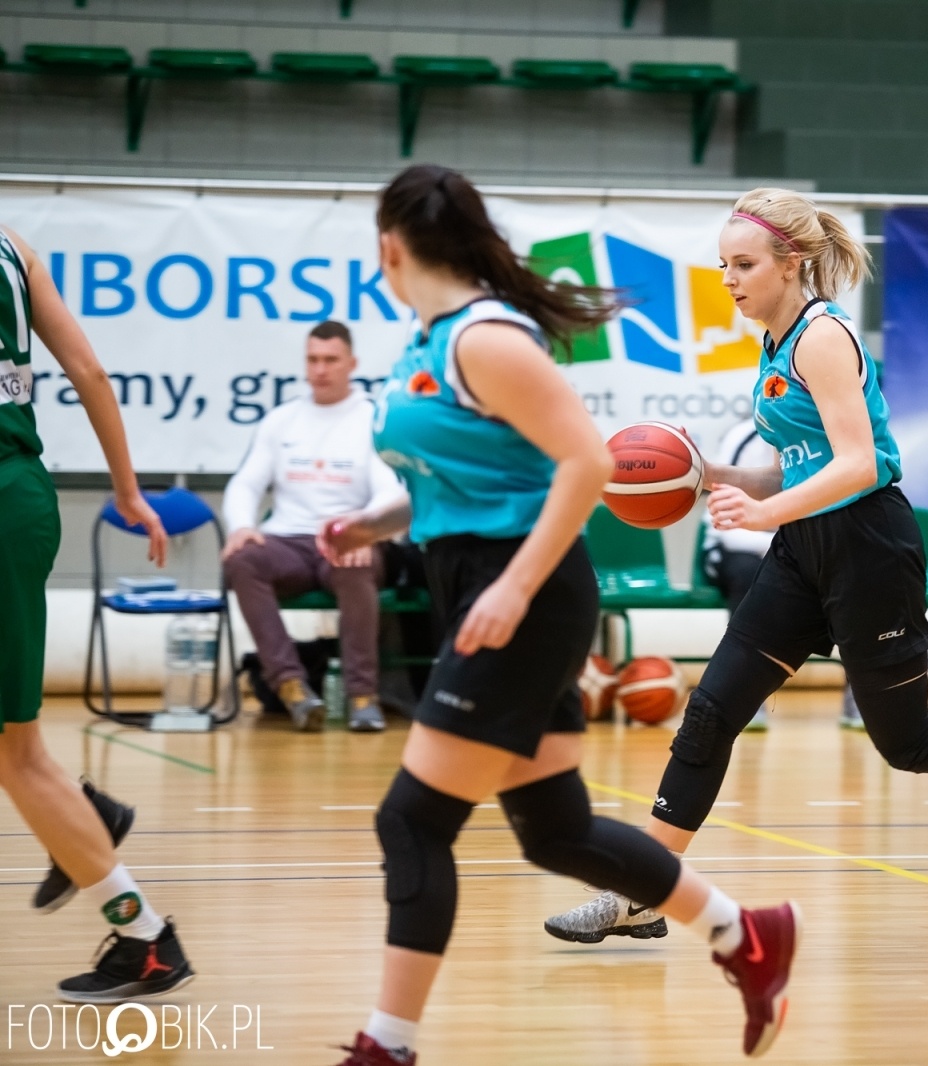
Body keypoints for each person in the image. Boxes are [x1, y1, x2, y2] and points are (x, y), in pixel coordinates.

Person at [545, 188, 928, 947]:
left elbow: (858, 466)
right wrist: (716, 475)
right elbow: (801, 465)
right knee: (713, 710)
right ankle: (643, 892)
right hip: (806, 552)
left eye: (744, 263)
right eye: (723, 265)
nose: (729, 278)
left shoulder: (822, 337)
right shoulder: (773, 338)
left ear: (792, 262)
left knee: (907, 741)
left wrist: (764, 514)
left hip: (868, 550)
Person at [318, 166, 798, 1065]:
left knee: (412, 822)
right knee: (557, 832)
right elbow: (467, 479)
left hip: (523, 589)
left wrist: (511, 585)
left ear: (390, 247)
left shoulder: (486, 338)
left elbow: (584, 464)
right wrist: (373, 522)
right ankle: (749, 936)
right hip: (481, 575)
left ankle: (386, 1046)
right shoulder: (429, 340)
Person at [0, 224, 195, 999]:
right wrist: (125, 490)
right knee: (18, 755)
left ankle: (147, 939)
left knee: (18, 756)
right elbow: (87, 370)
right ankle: (86, 819)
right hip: (23, 496)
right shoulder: (14, 246)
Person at [223, 320, 407, 733]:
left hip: (346, 541)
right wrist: (241, 526)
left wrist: (365, 530)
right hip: (288, 542)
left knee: (354, 563)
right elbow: (246, 482)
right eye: (313, 360)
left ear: (352, 363)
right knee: (242, 560)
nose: (320, 369)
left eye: (331, 360)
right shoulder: (281, 420)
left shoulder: (373, 420)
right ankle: (292, 688)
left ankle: (363, 696)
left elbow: (390, 490)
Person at [700, 416, 779, 731]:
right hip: (732, 546)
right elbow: (729, 526)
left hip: (786, 546)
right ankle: (745, 692)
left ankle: (860, 692)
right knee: (750, 572)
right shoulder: (743, 438)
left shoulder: (822, 440)